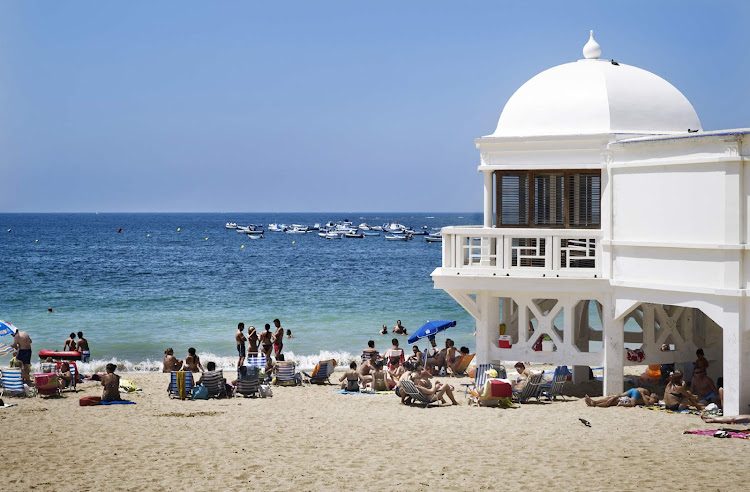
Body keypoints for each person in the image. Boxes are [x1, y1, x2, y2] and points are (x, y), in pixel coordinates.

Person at [584, 388, 658, 407]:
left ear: (654, 399)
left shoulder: (650, 399)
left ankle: (594, 403)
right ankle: (594, 403)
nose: (654, 394)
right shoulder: (648, 396)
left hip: (632, 395)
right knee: (612, 399)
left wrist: (642, 394)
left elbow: (648, 404)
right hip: (632, 395)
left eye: (655, 395)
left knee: (612, 400)